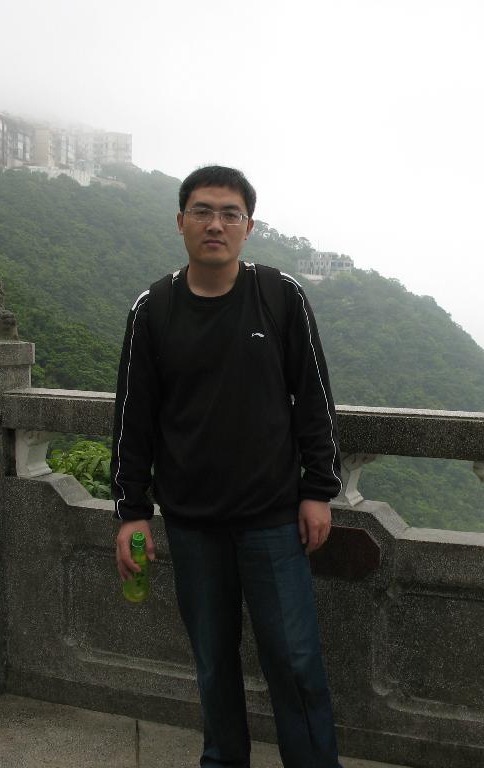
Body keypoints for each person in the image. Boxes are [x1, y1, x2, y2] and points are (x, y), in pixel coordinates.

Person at [110, 165, 344, 768]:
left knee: (294, 660)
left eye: (229, 214)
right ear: (181, 221)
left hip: (273, 516)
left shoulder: (279, 295)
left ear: (248, 226)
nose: (215, 224)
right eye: (202, 211)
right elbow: (134, 416)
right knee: (213, 661)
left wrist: (319, 490)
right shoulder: (154, 307)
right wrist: (132, 511)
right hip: (192, 521)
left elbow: (314, 398)